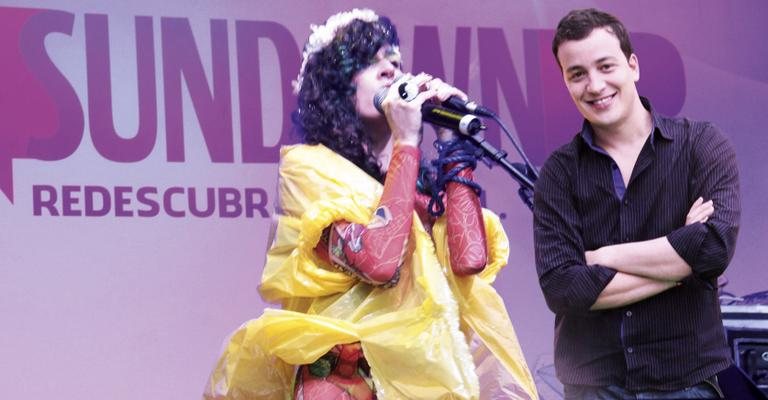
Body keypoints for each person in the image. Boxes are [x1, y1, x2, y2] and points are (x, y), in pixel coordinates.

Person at [203, 9, 537, 400]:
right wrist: (407, 142)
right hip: (348, 378)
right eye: (368, 62)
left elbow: (469, 260)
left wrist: (451, 143)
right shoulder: (308, 167)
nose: (390, 71)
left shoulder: (416, 181)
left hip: (422, 377)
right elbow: (379, 264)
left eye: (395, 62)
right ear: (335, 88)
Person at [533, 8, 741, 400]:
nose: (594, 85)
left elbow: (713, 249)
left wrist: (601, 257)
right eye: (577, 74)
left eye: (605, 66)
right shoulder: (558, 174)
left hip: (686, 382)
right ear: (565, 81)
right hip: (593, 386)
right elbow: (563, 288)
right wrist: (683, 263)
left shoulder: (702, 146)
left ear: (633, 66)